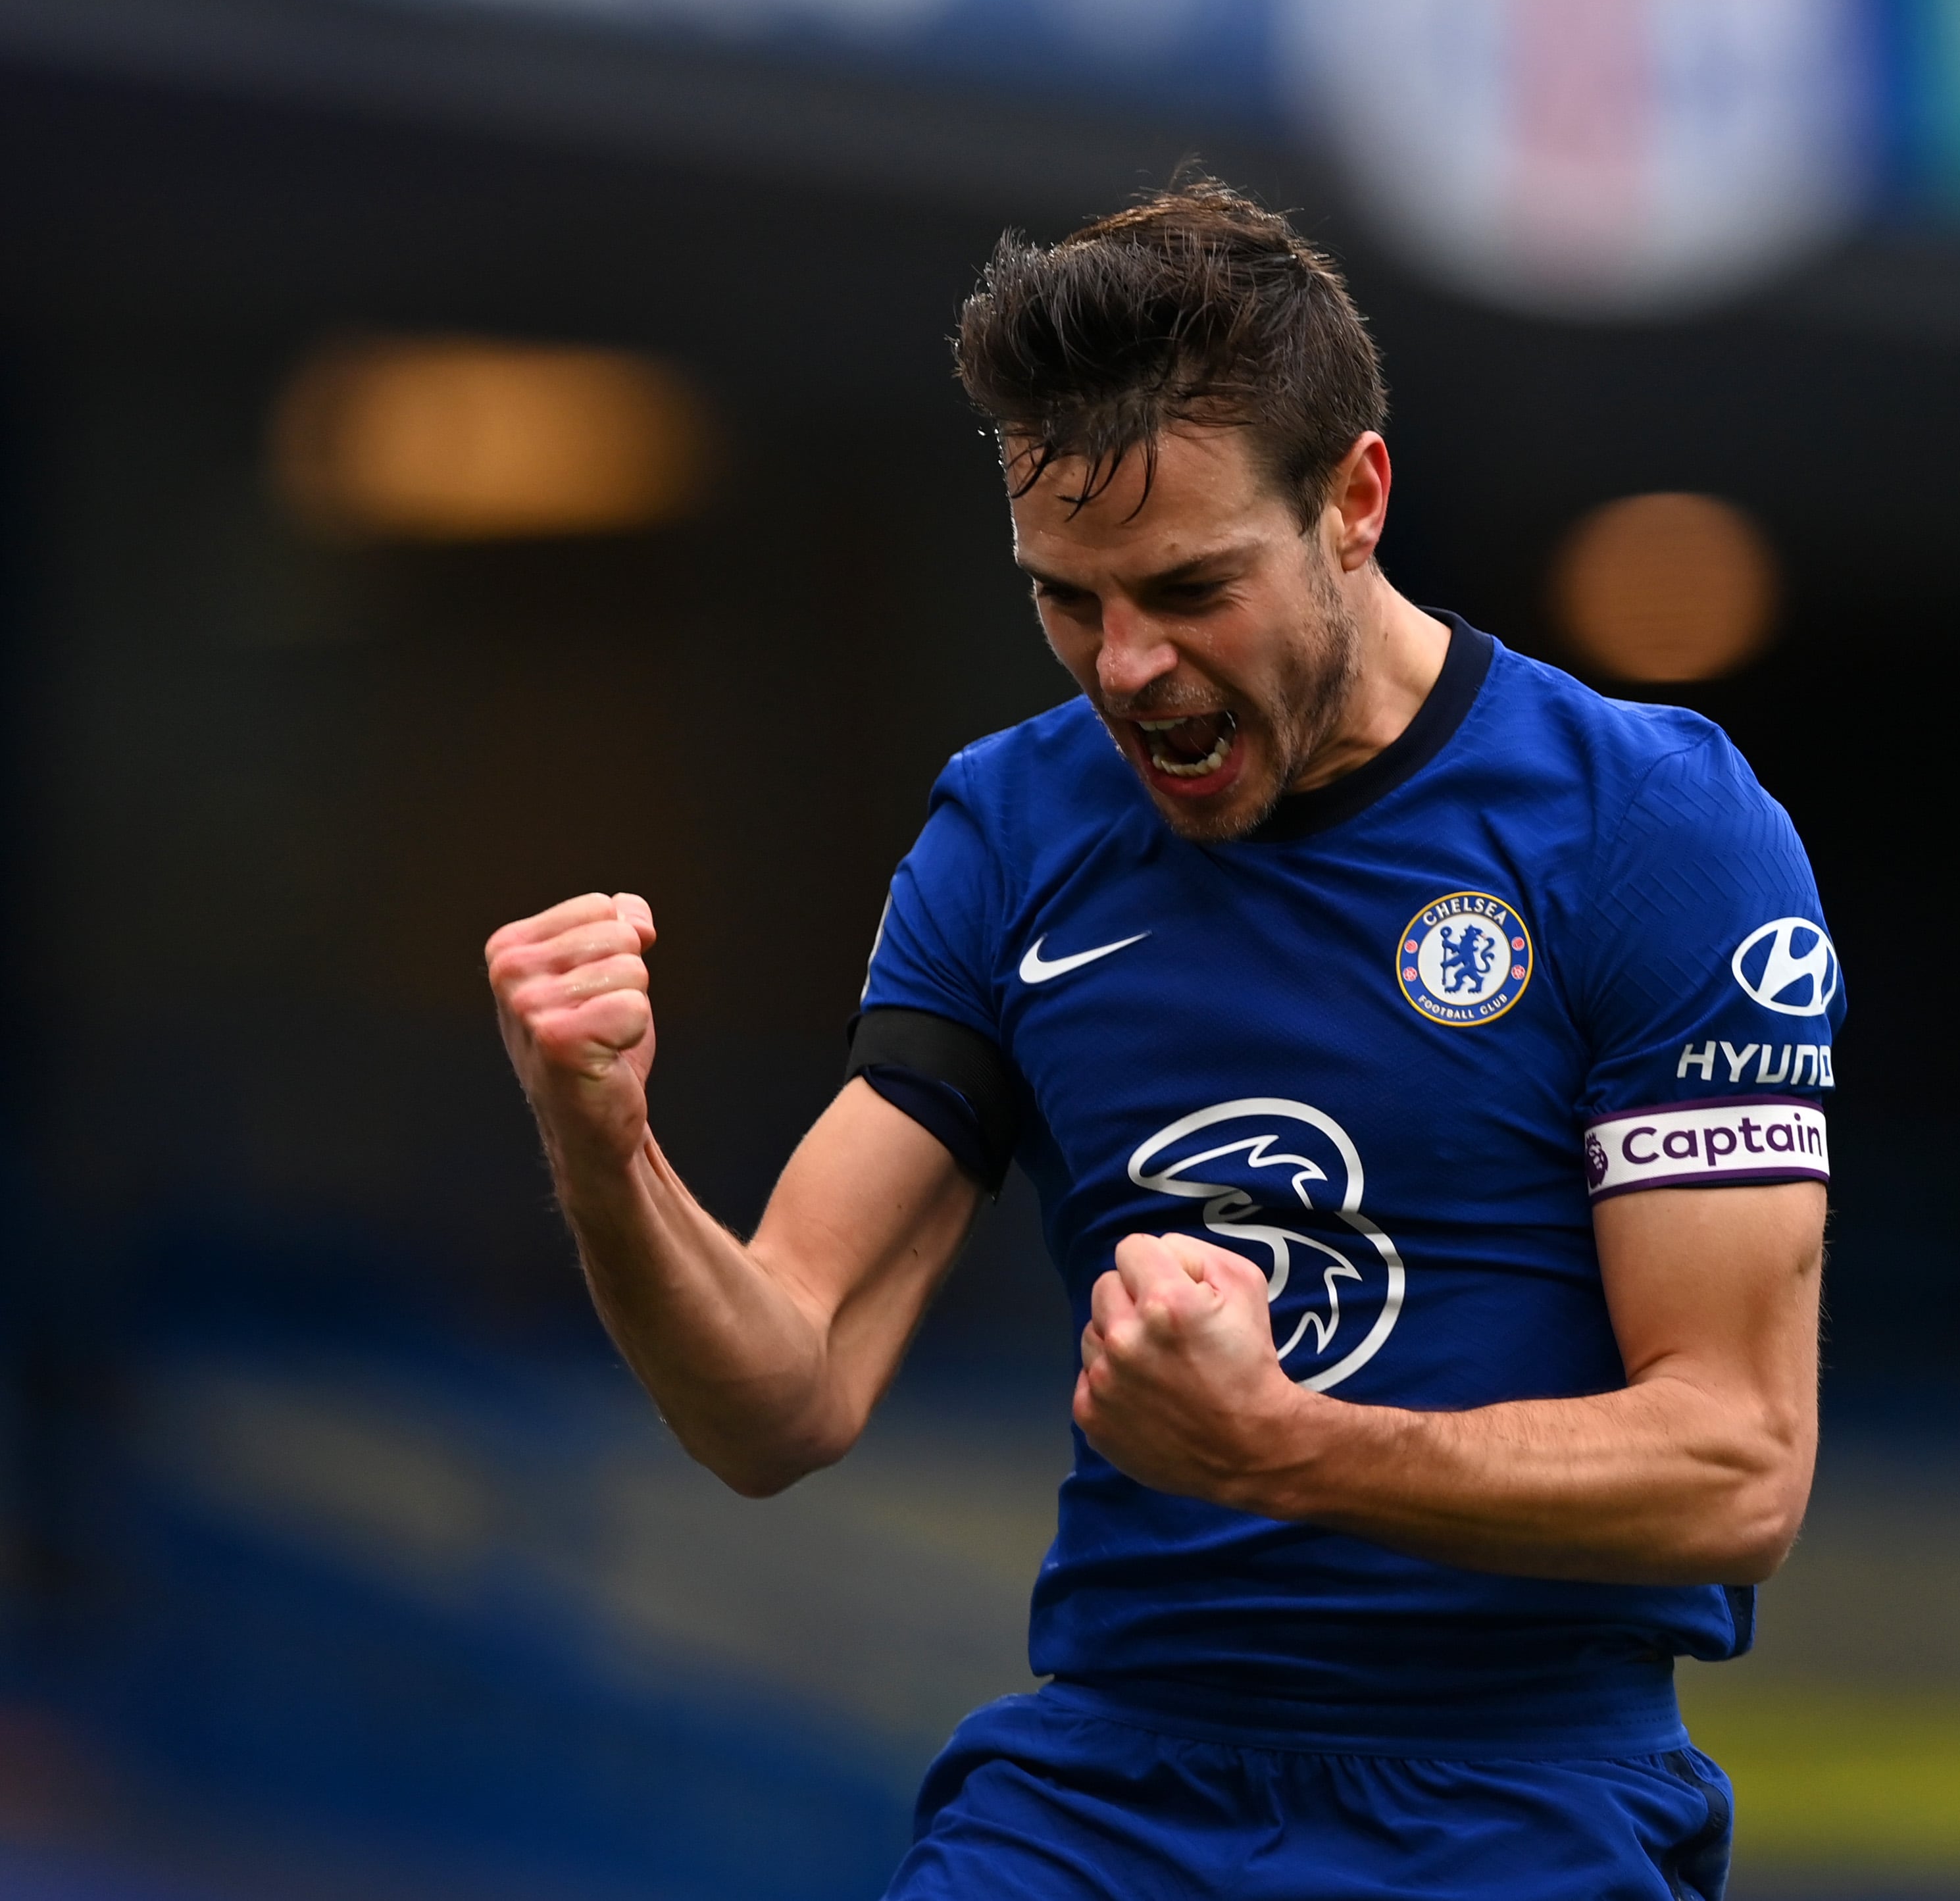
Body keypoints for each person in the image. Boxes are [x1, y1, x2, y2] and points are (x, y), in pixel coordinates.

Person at [485, 178, 1840, 1901]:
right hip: (1105, 1799)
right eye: (1067, 599)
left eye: (1189, 587)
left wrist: (1282, 1448)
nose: (1127, 667)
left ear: (1354, 501)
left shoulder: (1645, 828)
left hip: (1512, 1805)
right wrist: (602, 1149)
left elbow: (1735, 1467)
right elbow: (778, 1397)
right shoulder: (1012, 829)